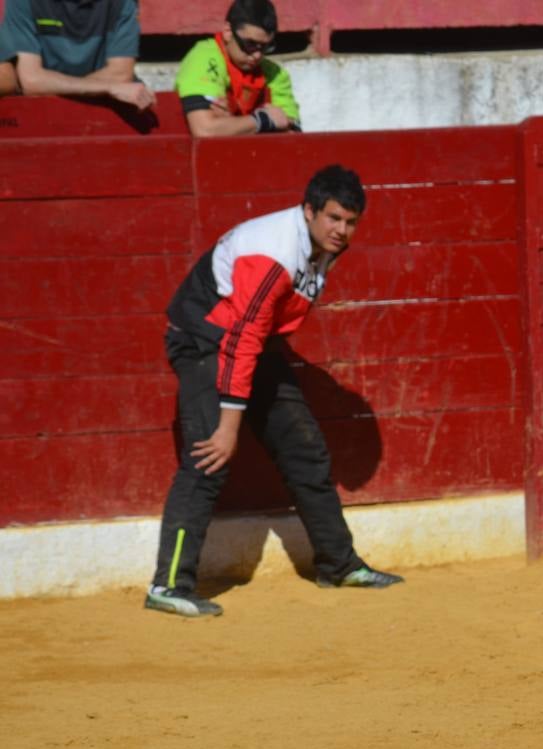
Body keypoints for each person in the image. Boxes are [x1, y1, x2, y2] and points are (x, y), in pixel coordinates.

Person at [146, 164, 402, 618]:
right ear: (309, 211)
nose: (342, 231)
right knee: (209, 457)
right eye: (334, 219)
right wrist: (229, 425)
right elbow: (242, 336)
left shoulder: (321, 245)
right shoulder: (274, 255)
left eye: (350, 222)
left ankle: (338, 565)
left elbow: (258, 331)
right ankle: (168, 586)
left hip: (251, 342)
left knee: (306, 449)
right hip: (205, 339)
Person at [174, 0, 299, 136]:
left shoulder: (276, 74)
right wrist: (262, 121)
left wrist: (231, 125)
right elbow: (205, 130)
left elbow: (292, 136)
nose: (257, 55)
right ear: (228, 32)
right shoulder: (203, 58)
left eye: (265, 47)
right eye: (250, 44)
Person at [0, 0, 155, 109]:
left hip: (107, 107)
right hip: (41, 111)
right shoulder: (23, 1)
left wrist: (51, 86)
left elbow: (121, 75)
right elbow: (32, 81)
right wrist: (109, 87)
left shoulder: (122, 2)